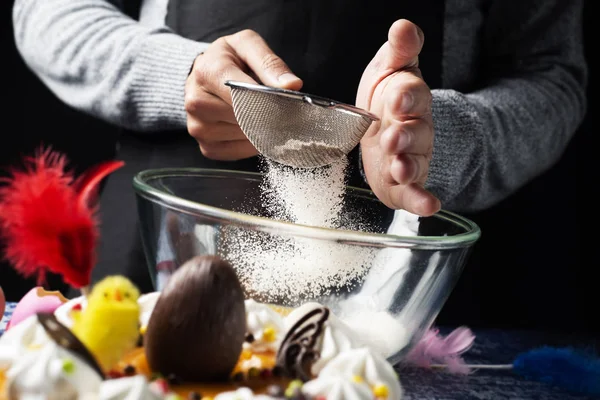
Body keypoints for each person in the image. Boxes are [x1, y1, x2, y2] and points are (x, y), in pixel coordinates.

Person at [11, 1, 587, 327]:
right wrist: (177, 75)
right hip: (161, 264)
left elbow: (552, 76)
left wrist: (436, 133)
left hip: (386, 292)